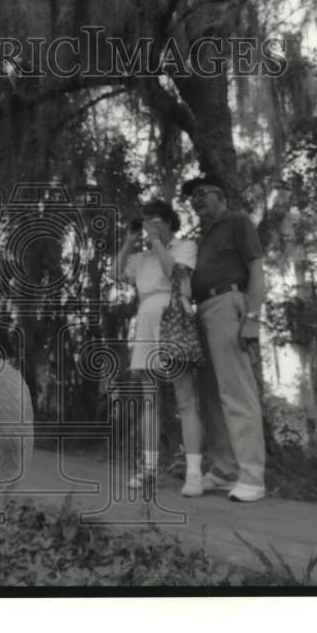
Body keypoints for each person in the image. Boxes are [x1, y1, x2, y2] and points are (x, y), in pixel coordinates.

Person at [181, 177, 267, 503]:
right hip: (199, 313)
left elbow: (257, 269)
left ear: (221, 195)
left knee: (236, 392)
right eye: (191, 197)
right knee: (210, 396)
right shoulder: (202, 238)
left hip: (227, 305)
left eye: (202, 193)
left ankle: (252, 477)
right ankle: (224, 469)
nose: (195, 200)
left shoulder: (237, 221)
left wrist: (253, 319)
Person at [112, 199, 205, 498]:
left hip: (174, 317)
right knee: (149, 399)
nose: (149, 224)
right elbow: (116, 273)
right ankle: (149, 468)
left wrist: (155, 240)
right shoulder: (141, 258)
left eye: (155, 220)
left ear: (168, 222)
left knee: (185, 398)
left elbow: (175, 274)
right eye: (146, 220)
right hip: (146, 321)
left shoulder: (185, 247)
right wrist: (129, 241)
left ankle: (194, 473)